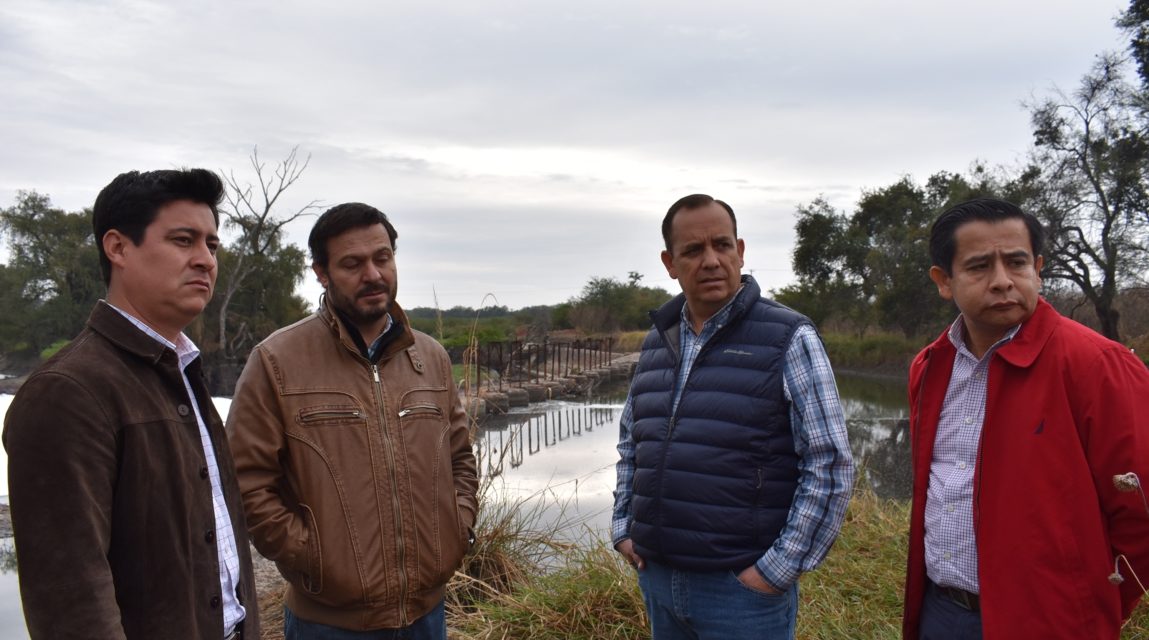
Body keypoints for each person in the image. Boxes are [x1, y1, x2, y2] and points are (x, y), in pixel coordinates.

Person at [3, 169, 259, 639]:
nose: (205, 260)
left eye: (212, 246)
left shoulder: (182, 370)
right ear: (118, 248)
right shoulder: (68, 392)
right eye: (184, 240)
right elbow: (70, 600)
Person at [227, 202, 478, 639]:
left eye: (382, 258)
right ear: (321, 273)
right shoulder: (277, 361)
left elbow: (460, 459)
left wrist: (458, 527)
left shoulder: (431, 357)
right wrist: (312, 556)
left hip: (427, 615)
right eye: (352, 263)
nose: (374, 274)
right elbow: (246, 481)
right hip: (327, 623)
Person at [903, 198, 1149, 639]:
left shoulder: (1097, 365)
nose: (1002, 282)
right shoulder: (931, 366)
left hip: (1050, 622)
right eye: (979, 267)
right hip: (940, 613)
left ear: (1037, 268)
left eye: (1016, 262)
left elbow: (1140, 512)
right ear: (944, 281)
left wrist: (1093, 605)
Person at [611, 193, 854, 639]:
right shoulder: (656, 343)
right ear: (670, 262)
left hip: (741, 593)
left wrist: (776, 571)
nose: (711, 261)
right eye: (693, 251)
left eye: (722, 246)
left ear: (740, 251)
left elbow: (829, 462)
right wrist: (623, 527)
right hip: (659, 580)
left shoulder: (789, 336)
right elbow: (632, 443)